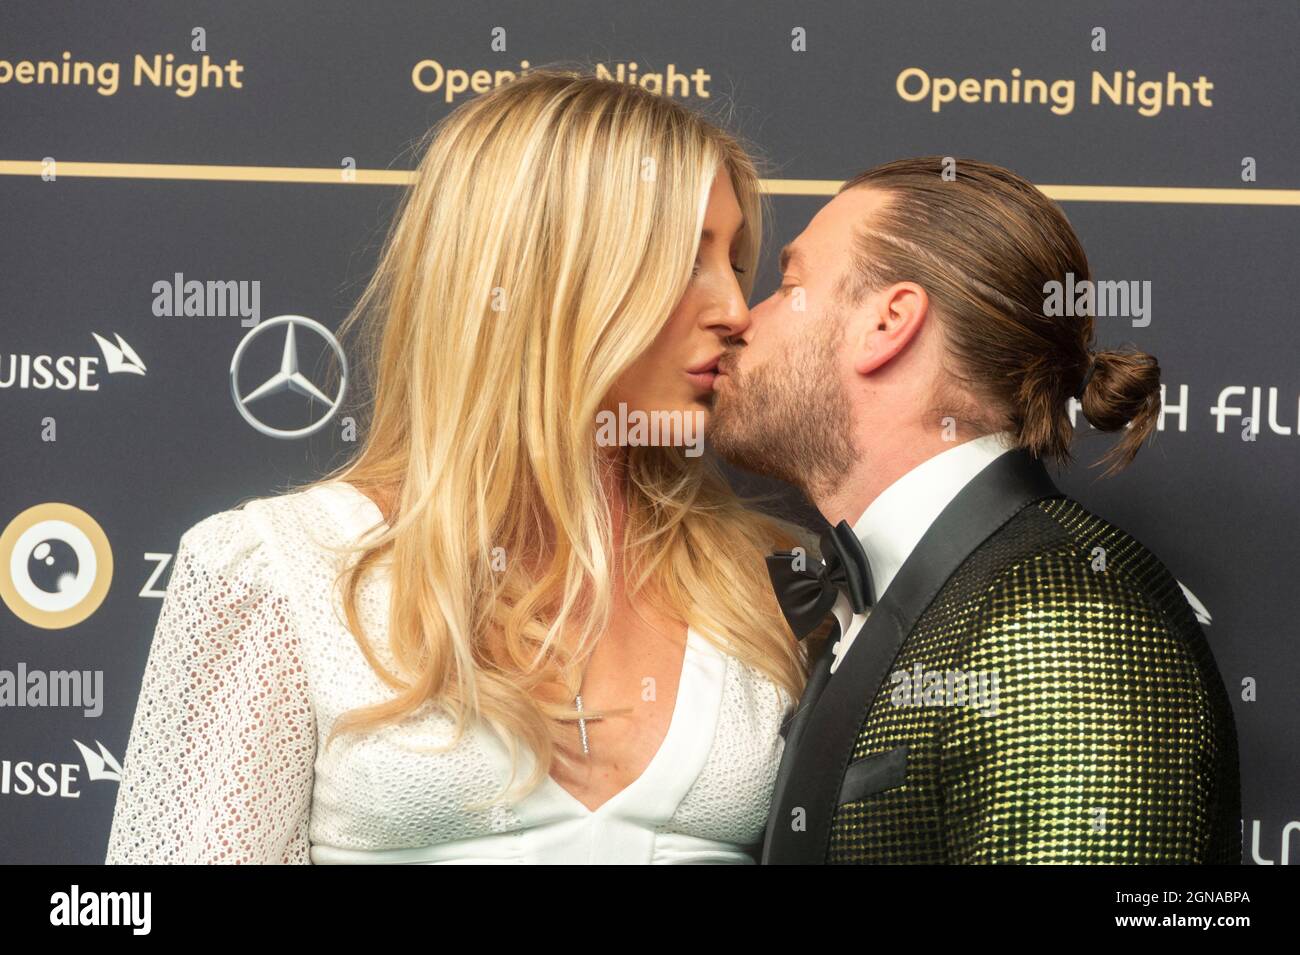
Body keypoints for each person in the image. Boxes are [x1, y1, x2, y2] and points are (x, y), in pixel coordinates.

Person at [104, 69, 811, 864]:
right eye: (688, 260)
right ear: (549, 272)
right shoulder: (282, 568)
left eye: (736, 261)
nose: (736, 310)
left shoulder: (769, 579)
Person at [708, 156, 1242, 864]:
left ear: (888, 322)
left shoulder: (1063, 625)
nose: (743, 317)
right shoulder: (918, 585)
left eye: (791, 285)